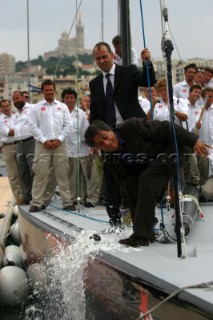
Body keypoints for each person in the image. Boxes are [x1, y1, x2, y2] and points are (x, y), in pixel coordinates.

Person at [84, 118, 210, 247]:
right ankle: (146, 229)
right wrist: (126, 207)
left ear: (110, 130)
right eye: (101, 144)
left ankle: (141, 235)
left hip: (173, 150)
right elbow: (123, 182)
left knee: (147, 179)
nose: (107, 143)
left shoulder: (131, 126)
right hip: (150, 163)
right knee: (129, 184)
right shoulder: (110, 158)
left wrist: (193, 140)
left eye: (105, 137)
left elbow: (166, 127)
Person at [89, 41, 156, 226]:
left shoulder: (128, 71)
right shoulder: (94, 83)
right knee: (111, 182)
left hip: (132, 134)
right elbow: (94, 114)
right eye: (98, 59)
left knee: (139, 178)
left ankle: (144, 219)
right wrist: (95, 142)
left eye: (105, 57)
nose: (102, 61)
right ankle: (115, 222)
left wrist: (147, 63)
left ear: (112, 56)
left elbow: (148, 80)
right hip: (108, 139)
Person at [28, 79, 73, 212]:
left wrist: (59, 139)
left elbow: (68, 125)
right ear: (43, 91)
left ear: (54, 91)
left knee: (62, 173)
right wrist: (44, 140)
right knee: (40, 174)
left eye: (51, 90)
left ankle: (67, 202)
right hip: (43, 145)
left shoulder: (62, 107)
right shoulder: (36, 108)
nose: (49, 92)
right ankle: (36, 202)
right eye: (46, 90)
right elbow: (32, 126)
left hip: (60, 144)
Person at [12, 90, 35, 204]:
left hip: (31, 142)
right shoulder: (15, 115)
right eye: (14, 99)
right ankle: (27, 197)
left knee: (33, 171)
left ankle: (37, 196)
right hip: (19, 145)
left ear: (22, 97)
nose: (16, 101)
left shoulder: (32, 109)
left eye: (18, 98)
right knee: (23, 172)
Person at [0, 99, 24, 204]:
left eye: (7, 106)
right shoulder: (0, 120)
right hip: (8, 147)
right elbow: (7, 133)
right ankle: (19, 197)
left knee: (23, 172)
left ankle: (26, 195)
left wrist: (20, 130)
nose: (6, 108)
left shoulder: (16, 117)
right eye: (3, 106)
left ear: (10, 106)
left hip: (19, 145)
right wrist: (22, 129)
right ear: (1, 108)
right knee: (13, 174)